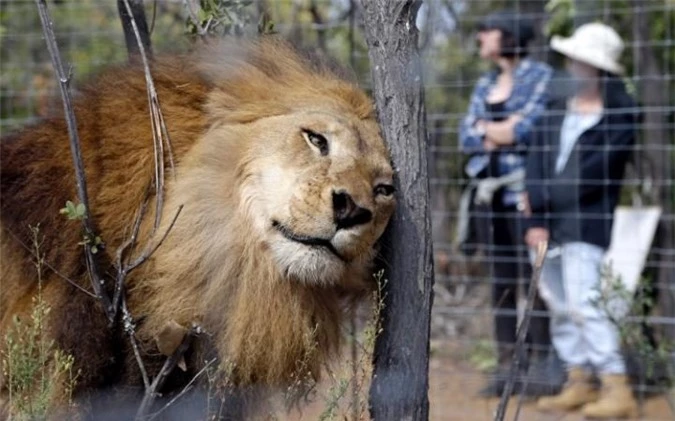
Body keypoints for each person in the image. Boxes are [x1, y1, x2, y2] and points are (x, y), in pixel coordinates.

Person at [524, 22, 639, 418]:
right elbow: (534, 163)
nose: (571, 65)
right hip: (544, 225)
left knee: (585, 304)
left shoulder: (622, 116)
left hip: (586, 225)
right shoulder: (554, 111)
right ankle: (579, 381)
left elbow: (589, 176)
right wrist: (535, 218)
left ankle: (616, 384)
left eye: (580, 59)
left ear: (598, 68)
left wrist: (537, 200)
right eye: (571, 58)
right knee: (558, 303)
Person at [458, 10, 563, 397]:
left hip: (528, 199)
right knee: (501, 281)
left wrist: (489, 130)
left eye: (487, 31)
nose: (480, 38)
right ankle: (506, 367)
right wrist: (495, 130)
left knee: (534, 281)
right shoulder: (485, 83)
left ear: (509, 36)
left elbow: (530, 127)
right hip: (490, 199)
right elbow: (464, 135)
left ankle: (541, 365)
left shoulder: (541, 77)